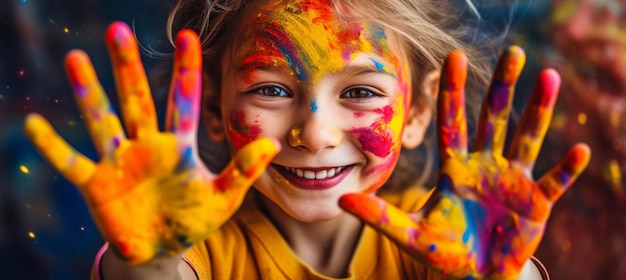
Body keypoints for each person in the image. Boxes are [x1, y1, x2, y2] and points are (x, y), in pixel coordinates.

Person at [22, 0, 590, 279]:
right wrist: (148, 258)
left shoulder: (441, 247)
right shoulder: (199, 252)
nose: (315, 133)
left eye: (362, 93)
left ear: (418, 109)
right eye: (270, 89)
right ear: (217, 110)